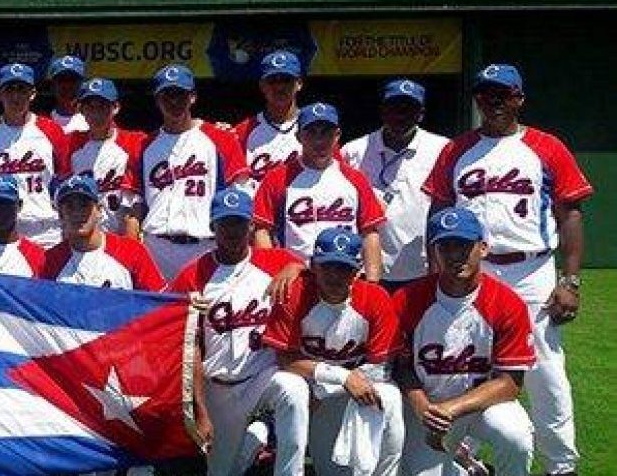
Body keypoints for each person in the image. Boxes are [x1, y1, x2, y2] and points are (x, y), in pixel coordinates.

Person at [422, 64, 591, 476]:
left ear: (519, 98)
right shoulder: (457, 149)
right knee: (464, 364)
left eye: (502, 94)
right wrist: (437, 271)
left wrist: (569, 279)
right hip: (470, 273)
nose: (493, 102)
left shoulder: (546, 146)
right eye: (485, 94)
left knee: (545, 373)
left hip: (530, 270)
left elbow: (570, 212)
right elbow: (438, 211)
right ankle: (464, 457)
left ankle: (560, 466)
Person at [167, 189, 309, 476]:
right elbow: (187, 348)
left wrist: (295, 268)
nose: (233, 231)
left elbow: (315, 270)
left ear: (252, 226)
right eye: (225, 223)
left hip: (262, 376)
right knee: (221, 471)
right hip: (217, 386)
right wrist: (201, 409)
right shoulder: (192, 275)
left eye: (239, 223)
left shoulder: (274, 261)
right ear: (212, 227)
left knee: (294, 390)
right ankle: (255, 440)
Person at [392, 208, 536, 476]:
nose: (455, 256)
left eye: (464, 246)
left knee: (515, 436)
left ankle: (466, 460)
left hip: (481, 407)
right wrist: (422, 405)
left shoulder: (507, 303)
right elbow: (400, 367)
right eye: (446, 247)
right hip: (428, 407)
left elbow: (510, 383)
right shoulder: (407, 300)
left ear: (482, 248)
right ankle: (467, 466)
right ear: (434, 252)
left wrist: (453, 408)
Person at [262, 228, 404, 476]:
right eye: (328, 267)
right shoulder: (295, 294)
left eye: (344, 268)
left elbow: (382, 365)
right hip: (312, 391)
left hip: (349, 388)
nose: (335, 276)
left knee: (389, 395)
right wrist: (339, 378)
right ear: (314, 266)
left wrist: (336, 384)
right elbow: (286, 359)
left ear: (358, 270)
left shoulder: (375, 298)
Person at [139, 64, 250, 281]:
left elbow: (241, 198)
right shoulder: (144, 145)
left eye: (180, 95)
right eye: (167, 95)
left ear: (192, 97)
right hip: (156, 248)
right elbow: (134, 207)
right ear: (157, 100)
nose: (174, 102)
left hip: (205, 246)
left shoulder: (221, 139)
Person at [252, 102, 386, 281]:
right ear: (299, 136)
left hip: (345, 277)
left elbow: (370, 232)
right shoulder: (277, 178)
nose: (319, 140)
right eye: (311, 133)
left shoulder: (355, 179)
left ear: (337, 135)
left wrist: (372, 282)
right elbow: (262, 230)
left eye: (326, 133)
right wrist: (273, 273)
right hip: (295, 278)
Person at [341, 80, 448, 293]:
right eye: (394, 107)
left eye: (409, 108)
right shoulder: (353, 151)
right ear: (382, 110)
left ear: (421, 113)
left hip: (420, 267)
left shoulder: (442, 148)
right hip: (363, 267)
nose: (401, 114)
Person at [0, 63, 71, 249]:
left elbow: (64, 180)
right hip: (0, 230)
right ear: (0, 94)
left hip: (45, 230)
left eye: (22, 90)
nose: (16, 96)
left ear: (32, 94)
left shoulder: (52, 130)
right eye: (9, 90)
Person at [37, 174, 164, 291]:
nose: (77, 213)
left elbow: (160, 305)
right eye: (70, 207)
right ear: (60, 215)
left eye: (84, 205)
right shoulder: (49, 262)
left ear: (99, 210)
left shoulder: (132, 252)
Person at [66, 78, 146, 239]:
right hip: (81, 239)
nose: (96, 113)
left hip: (118, 238)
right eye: (90, 107)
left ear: (115, 107)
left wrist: (129, 248)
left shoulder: (134, 142)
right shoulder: (69, 144)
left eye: (102, 106)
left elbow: (134, 204)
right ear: (81, 110)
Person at [234, 50, 304, 193]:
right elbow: (235, 182)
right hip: (258, 212)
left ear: (299, 83)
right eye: (272, 81)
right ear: (262, 85)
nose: (279, 87)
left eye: (286, 80)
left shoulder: (316, 129)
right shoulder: (243, 131)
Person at [45, 55, 89, 133]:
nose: (67, 86)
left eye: (73, 80)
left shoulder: (95, 121)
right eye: (62, 80)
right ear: (52, 85)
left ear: (83, 84)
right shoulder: (40, 121)